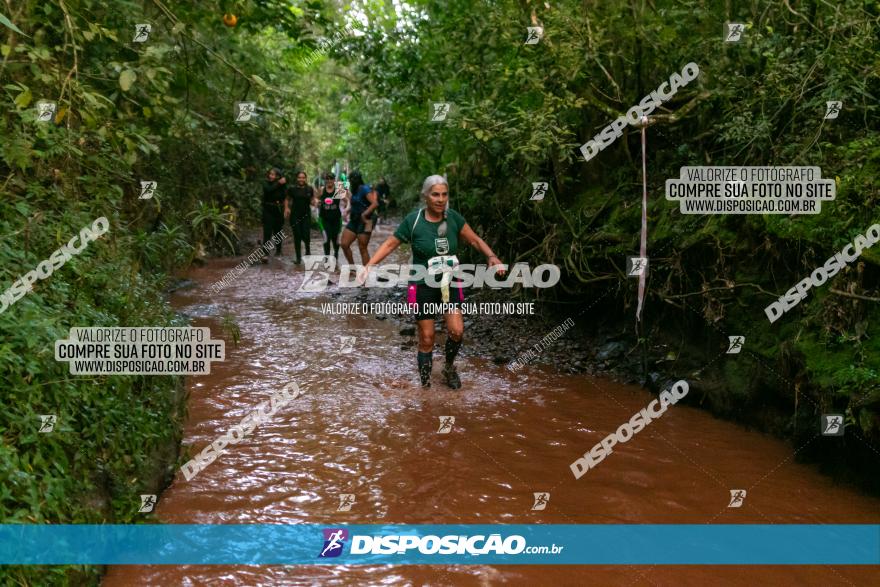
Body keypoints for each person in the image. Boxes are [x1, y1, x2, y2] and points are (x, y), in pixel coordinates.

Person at [359, 175, 505, 389]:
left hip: (450, 281)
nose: (440, 199)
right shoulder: (414, 221)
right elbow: (390, 244)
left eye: (444, 194)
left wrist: (492, 257)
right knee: (427, 337)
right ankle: (425, 388)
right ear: (425, 196)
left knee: (456, 331)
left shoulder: (453, 218)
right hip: (422, 284)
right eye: (435, 194)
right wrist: (369, 265)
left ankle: (448, 366)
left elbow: (474, 239)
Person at [340, 170, 378, 265]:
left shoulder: (364, 188)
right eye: (351, 179)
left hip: (367, 220)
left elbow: (375, 203)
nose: (353, 181)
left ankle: (366, 273)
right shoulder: (354, 190)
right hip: (354, 220)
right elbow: (355, 204)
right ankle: (352, 269)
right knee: (344, 244)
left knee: (362, 247)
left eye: (354, 179)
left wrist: (364, 214)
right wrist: (347, 211)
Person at [284, 170, 317, 264]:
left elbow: (312, 200)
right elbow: (287, 199)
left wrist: (315, 202)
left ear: (305, 178)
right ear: (297, 178)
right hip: (295, 215)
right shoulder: (292, 189)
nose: (301, 179)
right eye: (299, 177)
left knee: (306, 234)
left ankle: (307, 250)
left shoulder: (309, 189)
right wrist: (286, 208)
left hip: (306, 215)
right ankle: (298, 258)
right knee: (297, 235)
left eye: (303, 177)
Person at [317, 172, 348, 259]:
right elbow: (315, 199)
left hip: (336, 219)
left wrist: (346, 209)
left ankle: (336, 255)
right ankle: (326, 258)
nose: (329, 180)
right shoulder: (322, 189)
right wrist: (317, 202)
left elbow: (347, 201)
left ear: (334, 180)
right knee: (326, 239)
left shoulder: (338, 190)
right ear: (325, 180)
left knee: (336, 240)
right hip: (324, 219)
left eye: (331, 179)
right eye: (327, 179)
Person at [261, 168, 287, 263]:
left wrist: (286, 209)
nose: (271, 176)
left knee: (278, 231)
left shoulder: (282, 185)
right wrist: (279, 183)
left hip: (278, 210)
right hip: (267, 209)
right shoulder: (265, 183)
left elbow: (284, 196)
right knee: (267, 232)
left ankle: (279, 250)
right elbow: (268, 190)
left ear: (277, 176)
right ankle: (265, 254)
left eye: (274, 175)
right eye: (270, 174)